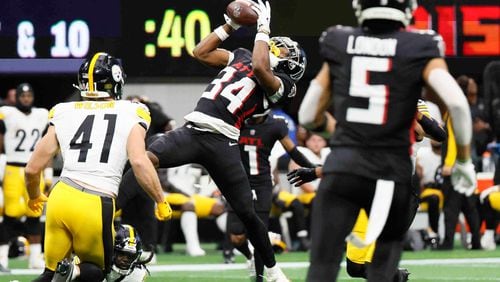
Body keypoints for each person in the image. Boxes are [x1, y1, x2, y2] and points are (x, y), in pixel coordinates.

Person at [120, 0, 305, 280]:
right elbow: (200, 52)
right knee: (143, 160)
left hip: (223, 142)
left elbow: (259, 66)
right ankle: (103, 213)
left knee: (247, 214)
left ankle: (273, 272)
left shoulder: (284, 85)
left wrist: (263, 28)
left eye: (287, 50)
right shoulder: (242, 54)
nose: (281, 47)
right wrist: (229, 26)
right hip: (193, 129)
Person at [291, 0, 474, 280]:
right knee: (370, 268)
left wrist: (346, 132)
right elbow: (458, 107)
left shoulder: (340, 40)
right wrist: (463, 160)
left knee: (323, 267)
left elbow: (307, 115)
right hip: (390, 176)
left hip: (351, 170)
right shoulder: (420, 46)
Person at [24, 52, 172, 282]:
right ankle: (73, 272)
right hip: (95, 200)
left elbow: (32, 169)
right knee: (95, 272)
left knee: (51, 274)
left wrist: (34, 196)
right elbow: (139, 161)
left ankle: (68, 272)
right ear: (116, 81)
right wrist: (160, 199)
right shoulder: (133, 111)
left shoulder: (63, 111)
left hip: (60, 195)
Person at [227, 111, 315, 281]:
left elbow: (292, 151)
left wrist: (312, 168)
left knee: (258, 233)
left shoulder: (276, 124)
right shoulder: (235, 121)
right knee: (236, 236)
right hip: (238, 183)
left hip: (262, 184)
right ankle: (250, 257)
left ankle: (260, 277)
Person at [0, 82, 52, 270]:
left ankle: (35, 258)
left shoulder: (42, 115)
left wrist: (47, 175)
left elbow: (49, 147)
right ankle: (2, 258)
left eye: (29, 96)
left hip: (34, 168)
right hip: (13, 168)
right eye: (23, 96)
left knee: (35, 214)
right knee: (11, 214)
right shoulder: (8, 112)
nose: (26, 99)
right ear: (17, 98)